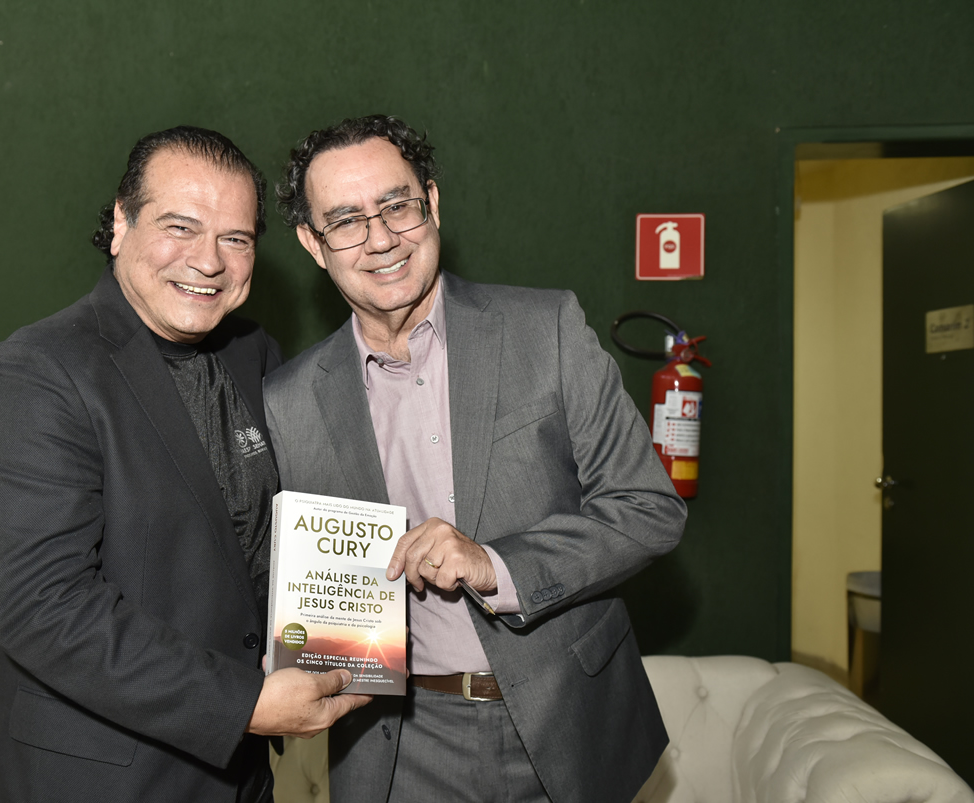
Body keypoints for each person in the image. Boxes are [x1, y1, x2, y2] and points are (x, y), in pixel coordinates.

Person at [264, 115, 687, 803]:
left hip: (567, 723)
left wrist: (495, 564)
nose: (380, 239)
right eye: (344, 221)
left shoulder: (546, 330)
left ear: (431, 202)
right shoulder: (288, 401)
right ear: (313, 243)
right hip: (396, 745)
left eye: (396, 206)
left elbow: (648, 509)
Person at [0, 125, 368, 803]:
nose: (208, 261)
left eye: (236, 239)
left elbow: (270, 546)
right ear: (121, 223)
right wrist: (244, 704)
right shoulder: (37, 372)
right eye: (180, 227)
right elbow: (43, 607)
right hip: (91, 781)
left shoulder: (254, 354)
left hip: (237, 778)